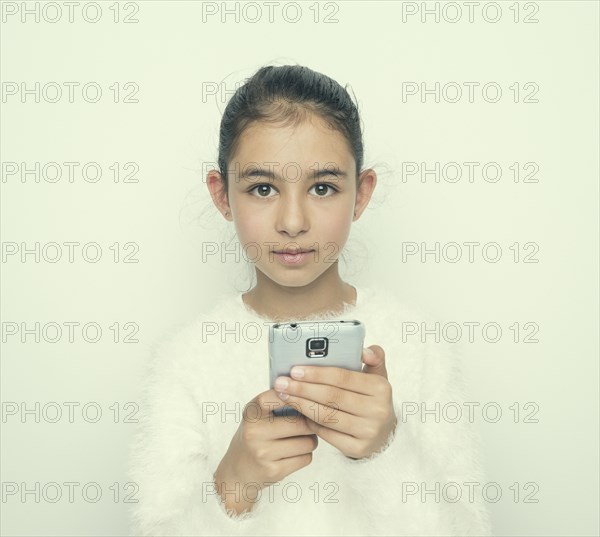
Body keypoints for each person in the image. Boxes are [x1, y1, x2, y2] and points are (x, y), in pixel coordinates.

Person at [128, 64, 492, 536]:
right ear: (222, 195)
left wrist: (386, 451)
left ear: (360, 195)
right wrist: (234, 486)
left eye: (322, 188)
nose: (293, 221)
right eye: (263, 188)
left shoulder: (416, 346)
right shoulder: (185, 360)